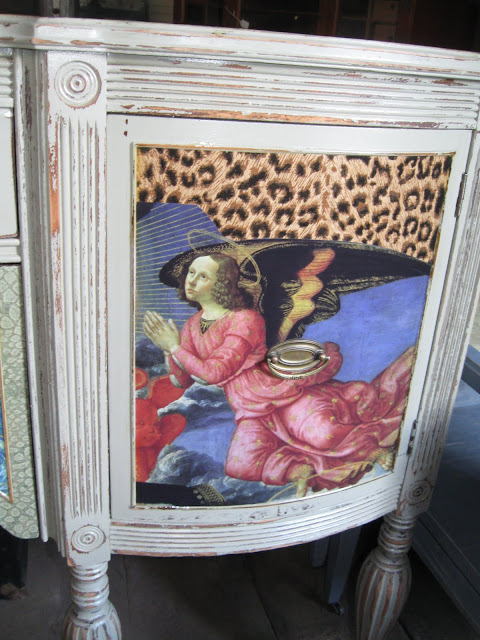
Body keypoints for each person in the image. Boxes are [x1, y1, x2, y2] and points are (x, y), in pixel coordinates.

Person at [143, 253, 414, 497]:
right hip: (249, 409)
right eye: (191, 273)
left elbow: (215, 372)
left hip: (281, 394)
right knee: (240, 466)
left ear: (222, 284)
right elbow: (183, 379)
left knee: (324, 434)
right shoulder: (192, 326)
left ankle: (372, 449)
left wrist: (174, 347)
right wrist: (168, 350)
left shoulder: (245, 319)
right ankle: (298, 469)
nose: (191, 280)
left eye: (203, 276)